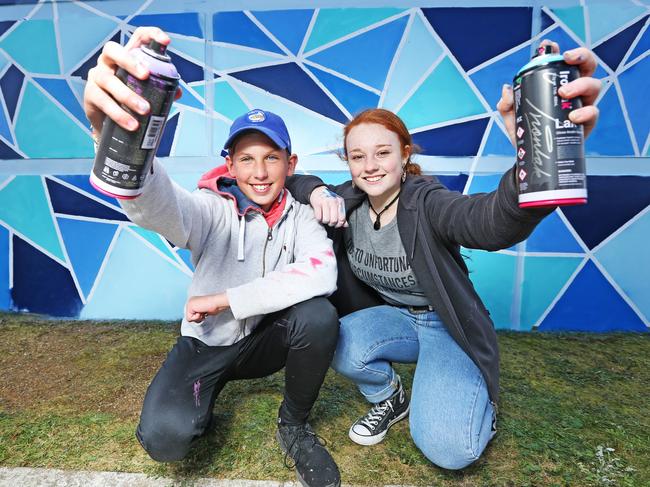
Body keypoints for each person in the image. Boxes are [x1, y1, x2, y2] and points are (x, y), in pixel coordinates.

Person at [285, 41, 601, 470]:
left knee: (450, 450)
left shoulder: (428, 203)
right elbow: (295, 182)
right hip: (393, 318)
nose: (370, 166)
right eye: (358, 156)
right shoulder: (347, 201)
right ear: (348, 162)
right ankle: (390, 398)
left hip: (443, 322)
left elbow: (489, 222)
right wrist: (315, 189)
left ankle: (470, 406)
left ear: (405, 154)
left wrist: (534, 168)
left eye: (383, 153)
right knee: (334, 340)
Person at [84, 27, 342, 487]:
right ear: (229, 165)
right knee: (167, 439)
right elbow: (158, 204)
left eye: (271, 158)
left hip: (265, 341)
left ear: (291, 163)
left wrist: (228, 298)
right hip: (207, 344)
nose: (259, 173)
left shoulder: (302, 216)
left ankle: (295, 427)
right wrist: (113, 142)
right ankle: (203, 397)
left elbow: (322, 273)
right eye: (246, 159)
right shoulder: (211, 210)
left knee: (319, 315)